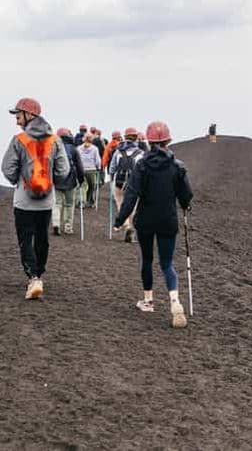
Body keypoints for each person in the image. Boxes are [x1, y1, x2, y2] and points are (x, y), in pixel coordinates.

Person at [113, 121, 193, 329]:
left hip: (146, 221)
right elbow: (186, 195)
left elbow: (131, 194)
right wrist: (185, 205)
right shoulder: (177, 166)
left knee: (147, 260)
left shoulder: (142, 165)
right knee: (166, 264)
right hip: (168, 220)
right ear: (168, 140)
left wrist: (120, 220)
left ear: (148, 141)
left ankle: (148, 301)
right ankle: (175, 302)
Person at [1, 97, 70, 300]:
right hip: (47, 201)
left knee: (25, 240)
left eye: (18, 115)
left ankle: (33, 278)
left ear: (29, 115)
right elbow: (63, 170)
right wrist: (50, 182)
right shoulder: (55, 140)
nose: (16, 120)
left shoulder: (19, 140)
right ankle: (39, 273)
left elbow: (8, 169)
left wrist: (18, 180)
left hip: (23, 201)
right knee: (42, 239)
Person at [109, 127, 145, 242]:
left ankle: (124, 224)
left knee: (120, 204)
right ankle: (130, 227)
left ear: (125, 137)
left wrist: (112, 180)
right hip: (134, 184)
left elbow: (112, 168)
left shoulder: (118, 151)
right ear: (136, 138)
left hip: (119, 183)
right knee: (133, 206)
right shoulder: (140, 153)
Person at [52, 127, 85, 235]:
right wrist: (81, 180)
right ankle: (68, 227)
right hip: (70, 180)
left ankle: (56, 224)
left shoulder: (53, 148)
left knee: (57, 203)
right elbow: (79, 167)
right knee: (69, 204)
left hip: (56, 180)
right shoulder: (73, 149)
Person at [77, 133, 101, 207]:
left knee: (83, 186)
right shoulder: (95, 148)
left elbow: (77, 159)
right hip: (92, 170)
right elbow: (97, 160)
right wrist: (99, 167)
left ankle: (82, 202)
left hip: (82, 169)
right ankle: (90, 202)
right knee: (92, 186)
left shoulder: (79, 148)